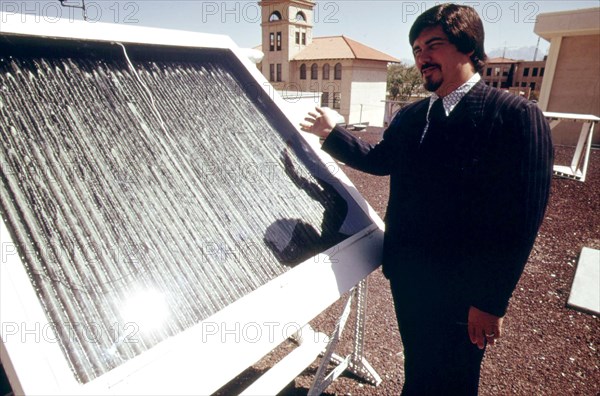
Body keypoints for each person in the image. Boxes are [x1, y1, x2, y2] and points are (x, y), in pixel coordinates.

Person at [300, 3, 553, 395]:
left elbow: (521, 219)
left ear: (469, 47)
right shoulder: (412, 116)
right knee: (418, 368)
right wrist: (332, 133)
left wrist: (491, 300)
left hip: (464, 290)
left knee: (453, 380)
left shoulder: (513, 116)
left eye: (433, 45)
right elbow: (381, 160)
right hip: (409, 278)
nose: (422, 57)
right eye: (417, 49)